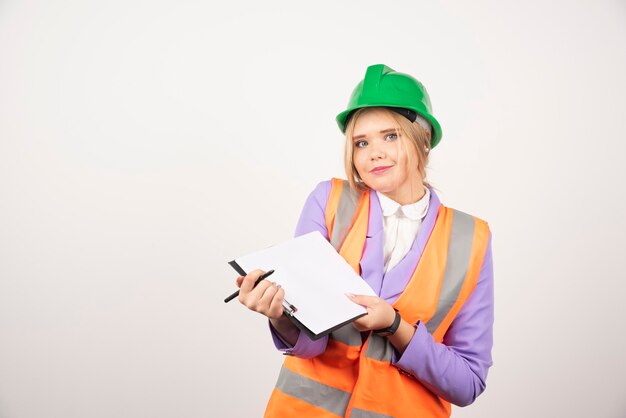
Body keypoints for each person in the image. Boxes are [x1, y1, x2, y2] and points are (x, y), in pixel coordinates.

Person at [235, 64, 494, 418]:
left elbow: (467, 384)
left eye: (390, 136)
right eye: (361, 142)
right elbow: (312, 344)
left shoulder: (471, 238)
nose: (374, 153)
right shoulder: (328, 202)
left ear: (424, 139)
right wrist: (280, 315)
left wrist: (395, 326)